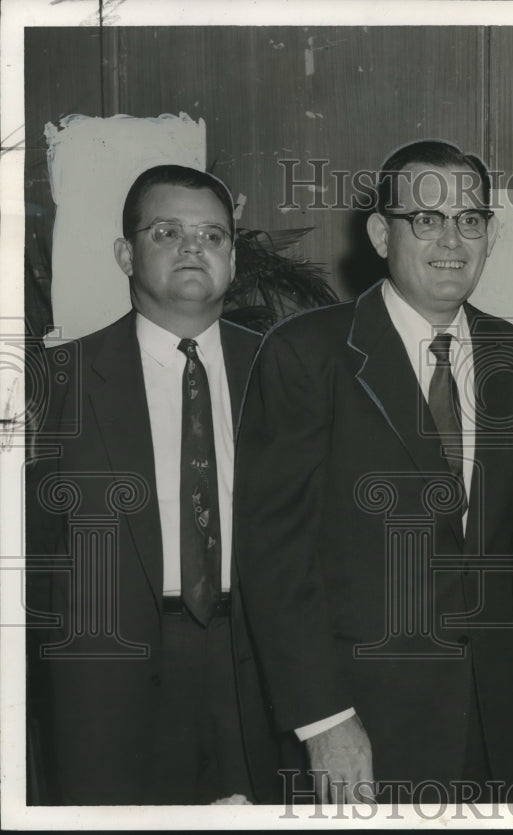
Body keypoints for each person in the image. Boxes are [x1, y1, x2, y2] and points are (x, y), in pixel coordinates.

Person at [234, 140, 513, 802]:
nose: (451, 240)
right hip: (361, 721)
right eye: (426, 219)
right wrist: (325, 721)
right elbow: (273, 557)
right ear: (380, 232)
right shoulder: (306, 353)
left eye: (470, 219)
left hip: (495, 727)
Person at [26, 164, 286, 804]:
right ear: (125, 253)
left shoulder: (287, 370)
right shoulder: (58, 380)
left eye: (213, 235)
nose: (194, 248)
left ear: (232, 255)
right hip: (105, 681)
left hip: (253, 666)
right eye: (167, 232)